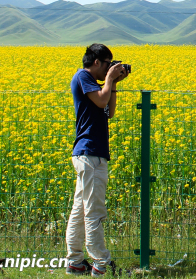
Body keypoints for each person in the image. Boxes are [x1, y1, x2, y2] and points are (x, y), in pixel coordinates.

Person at [65, 43, 131, 277]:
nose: (108, 70)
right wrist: (109, 81)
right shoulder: (83, 77)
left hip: (90, 153)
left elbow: (109, 111)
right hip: (91, 154)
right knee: (94, 211)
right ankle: (101, 264)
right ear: (96, 62)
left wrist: (113, 84)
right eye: (107, 65)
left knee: (80, 210)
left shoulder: (93, 82)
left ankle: (75, 261)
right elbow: (101, 102)